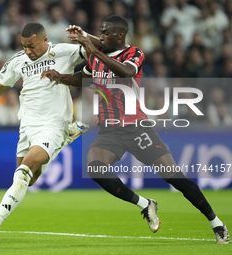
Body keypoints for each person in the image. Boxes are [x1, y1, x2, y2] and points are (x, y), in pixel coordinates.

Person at [41, 15, 230, 244]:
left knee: (175, 177)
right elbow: (82, 77)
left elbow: (126, 72)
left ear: (119, 35)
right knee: (96, 169)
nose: (100, 36)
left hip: (136, 128)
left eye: (105, 32)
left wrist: (92, 47)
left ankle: (217, 223)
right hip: (109, 131)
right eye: (99, 31)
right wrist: (59, 77)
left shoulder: (134, 53)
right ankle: (145, 204)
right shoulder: (96, 59)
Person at [0, 22, 88, 243]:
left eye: (32, 46)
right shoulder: (18, 60)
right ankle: (67, 137)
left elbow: (96, 48)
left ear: (45, 40)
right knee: (28, 180)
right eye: (24, 46)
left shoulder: (64, 52)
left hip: (53, 123)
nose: (28, 50)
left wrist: (84, 36)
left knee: (23, 171)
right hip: (27, 125)